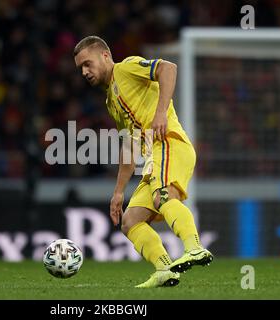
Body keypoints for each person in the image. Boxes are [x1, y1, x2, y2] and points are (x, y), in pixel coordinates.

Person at [73, 36, 213, 288]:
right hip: (153, 156)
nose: (84, 71)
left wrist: (161, 112)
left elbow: (168, 68)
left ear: (105, 56)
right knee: (130, 221)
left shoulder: (126, 68)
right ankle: (164, 269)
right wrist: (118, 192)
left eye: (87, 63)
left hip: (169, 142)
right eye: (80, 68)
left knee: (163, 196)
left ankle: (194, 247)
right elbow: (129, 145)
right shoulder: (111, 101)